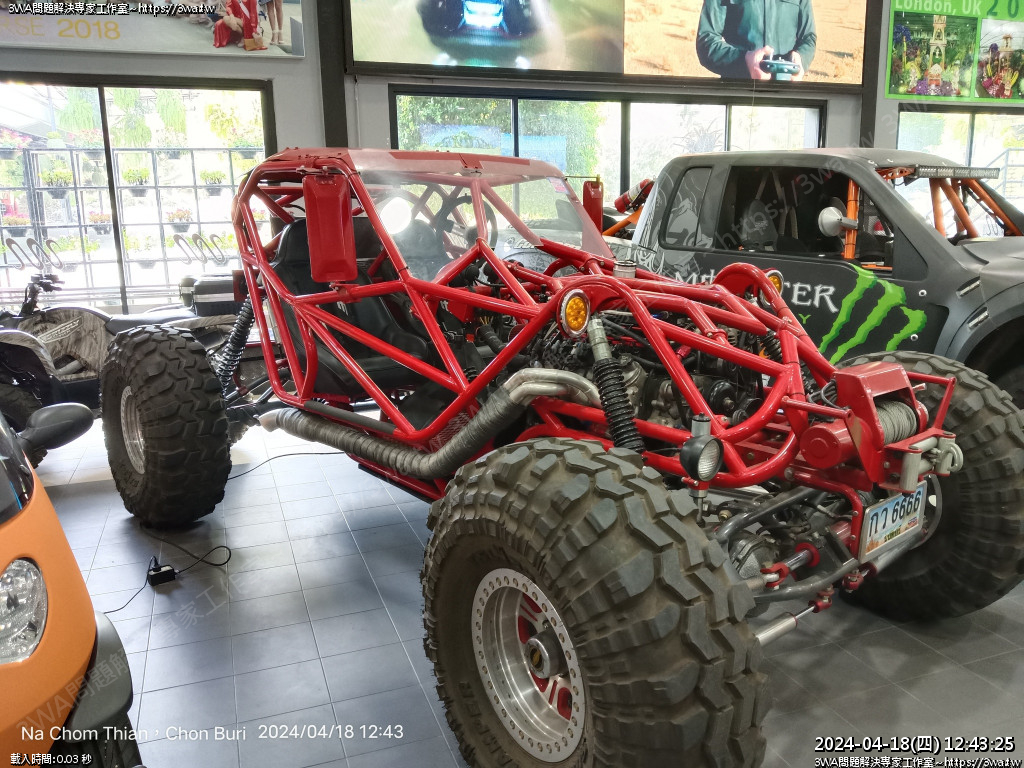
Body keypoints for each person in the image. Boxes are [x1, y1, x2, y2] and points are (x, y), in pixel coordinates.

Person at [696, 0, 817, 81]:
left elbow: (808, 37)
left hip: (786, 94)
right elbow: (706, 40)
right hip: (738, 92)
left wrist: (801, 58)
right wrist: (744, 61)